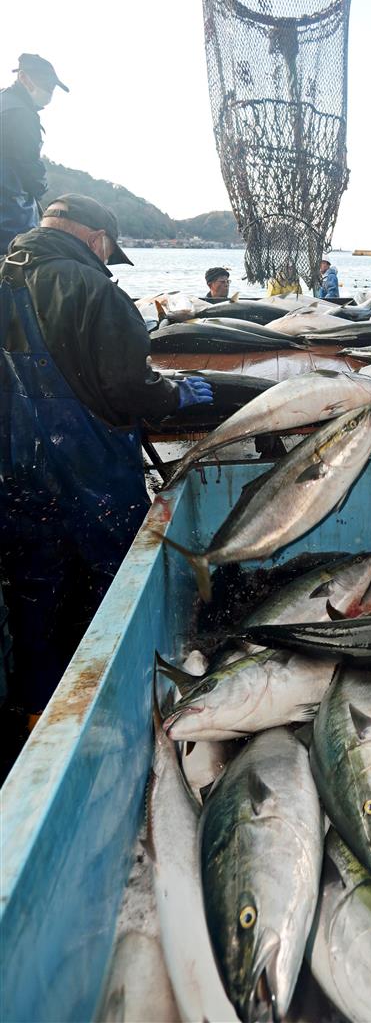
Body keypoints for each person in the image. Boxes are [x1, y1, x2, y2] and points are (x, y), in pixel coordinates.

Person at [0, 194, 213, 724]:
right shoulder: (91, 286)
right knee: (112, 586)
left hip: (16, 473)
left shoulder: (6, 279)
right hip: (89, 470)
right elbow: (126, 387)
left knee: (35, 590)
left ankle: (34, 713)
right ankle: (117, 706)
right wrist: (172, 395)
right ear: (97, 239)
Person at [0, 53, 69, 254]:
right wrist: (41, 187)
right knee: (16, 269)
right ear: (23, 77)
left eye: (52, 87)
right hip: (9, 215)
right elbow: (30, 167)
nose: (49, 91)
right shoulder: (19, 114)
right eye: (46, 84)